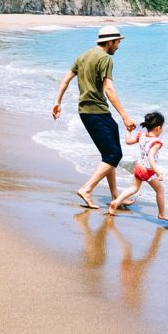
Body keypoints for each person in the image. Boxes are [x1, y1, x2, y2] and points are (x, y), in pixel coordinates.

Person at [51, 24, 137, 209]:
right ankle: (87, 189)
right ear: (110, 42)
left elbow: (65, 79)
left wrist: (58, 102)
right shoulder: (105, 59)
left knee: (109, 154)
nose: (118, 46)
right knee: (114, 154)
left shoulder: (83, 56)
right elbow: (109, 89)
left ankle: (115, 196)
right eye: (117, 42)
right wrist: (125, 116)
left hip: (88, 112)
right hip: (96, 111)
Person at [108, 111, 168, 222]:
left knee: (134, 188)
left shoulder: (141, 136)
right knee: (160, 191)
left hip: (138, 167)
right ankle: (161, 214)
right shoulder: (156, 142)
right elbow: (151, 157)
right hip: (147, 171)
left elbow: (128, 141)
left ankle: (116, 202)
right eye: (163, 128)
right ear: (158, 128)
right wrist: (157, 171)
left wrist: (128, 131)